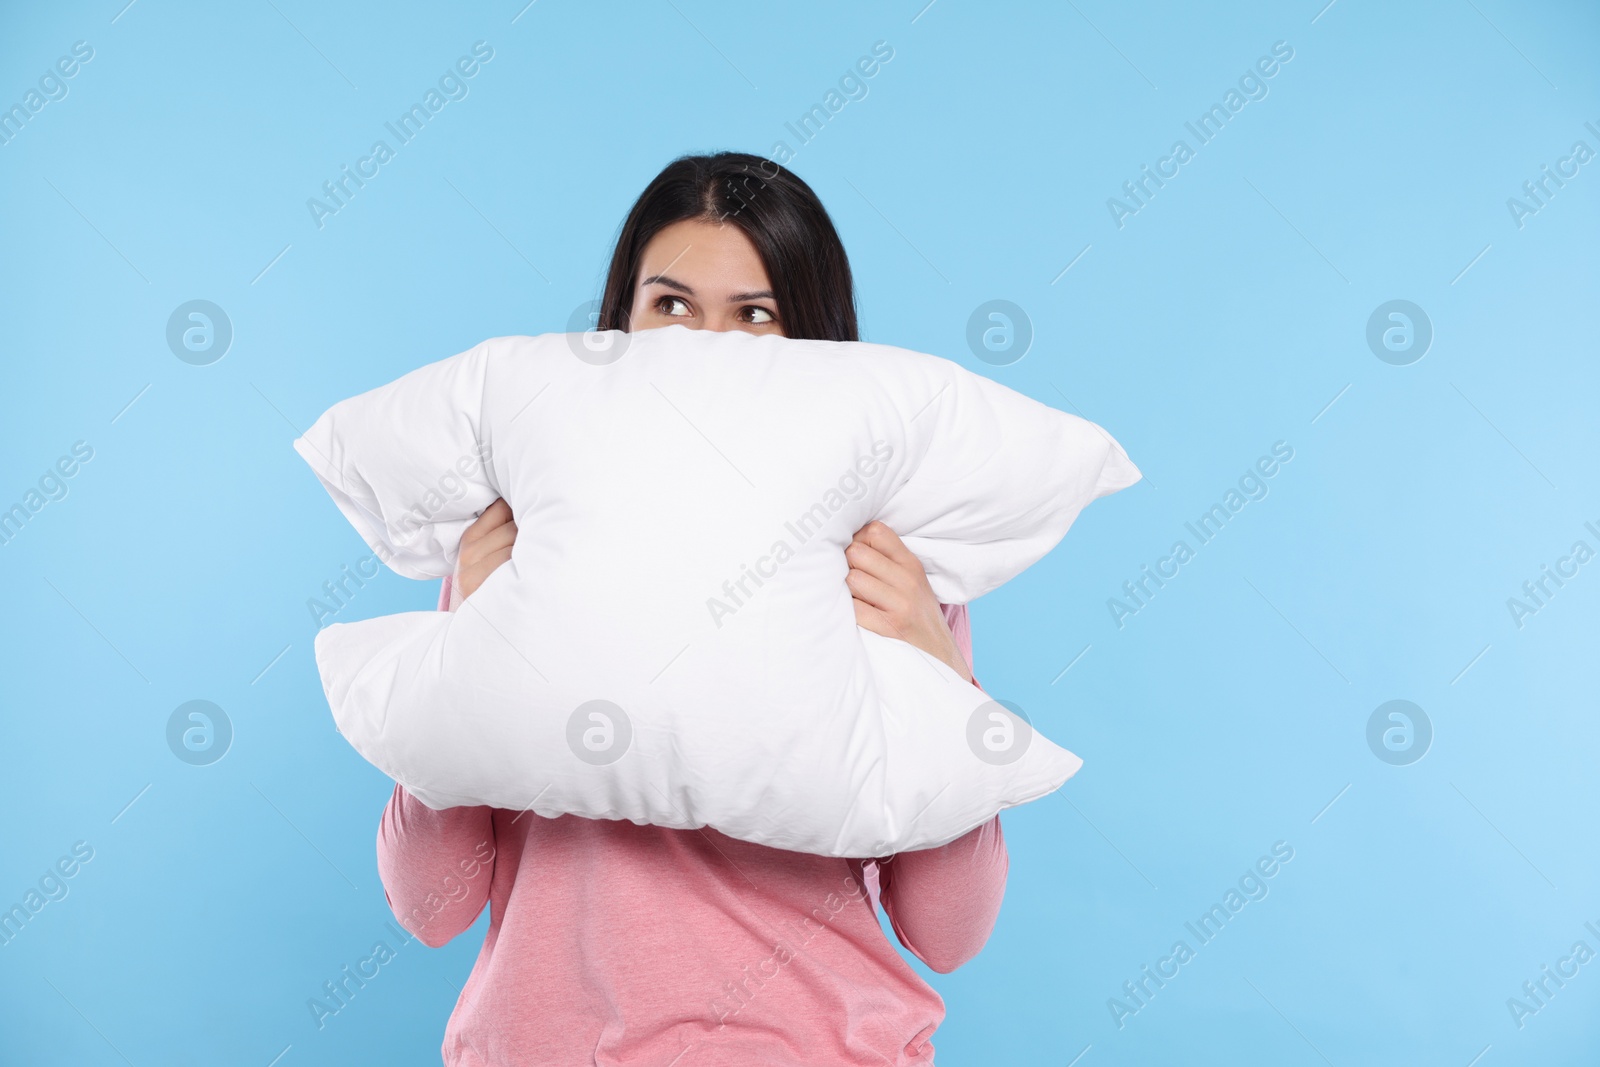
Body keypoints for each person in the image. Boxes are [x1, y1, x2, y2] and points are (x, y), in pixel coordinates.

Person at [377, 151, 1008, 1066]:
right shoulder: (513, 550)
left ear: (815, 347)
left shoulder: (889, 571)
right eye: (671, 305)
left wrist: (938, 680)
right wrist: (466, 647)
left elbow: (947, 930)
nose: (706, 346)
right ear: (616, 327)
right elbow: (431, 907)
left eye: (756, 314)